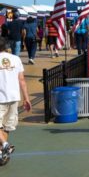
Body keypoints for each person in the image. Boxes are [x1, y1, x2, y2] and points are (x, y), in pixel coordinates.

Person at [0, 37, 31, 165]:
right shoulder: (16, 59)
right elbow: (22, 80)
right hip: (13, 97)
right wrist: (26, 98)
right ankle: (3, 154)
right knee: (6, 127)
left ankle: (5, 144)